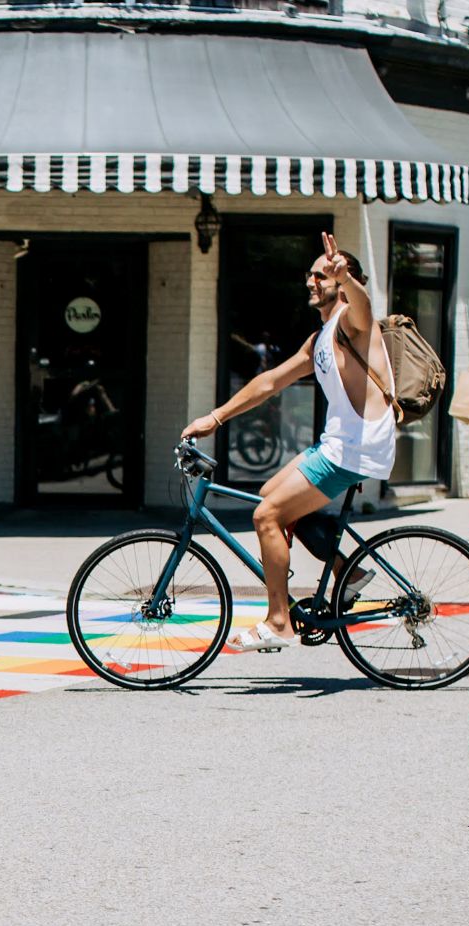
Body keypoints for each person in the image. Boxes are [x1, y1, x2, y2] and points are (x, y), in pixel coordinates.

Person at [182, 232, 395, 652]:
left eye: (322, 275)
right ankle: (347, 572)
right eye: (310, 275)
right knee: (271, 497)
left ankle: (279, 621)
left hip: (355, 446)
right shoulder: (319, 339)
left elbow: (366, 308)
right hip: (336, 442)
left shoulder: (353, 321)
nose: (312, 281)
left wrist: (347, 279)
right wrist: (216, 417)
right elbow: (270, 382)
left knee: (266, 516)